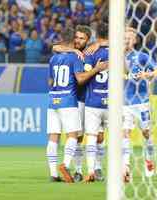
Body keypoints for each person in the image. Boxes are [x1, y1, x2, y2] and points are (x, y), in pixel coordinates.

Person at [46, 27, 107, 183]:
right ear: (73, 39)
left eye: (82, 38)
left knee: (98, 137)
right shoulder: (74, 55)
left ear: (89, 40)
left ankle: (97, 168)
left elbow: (51, 80)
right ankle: (78, 170)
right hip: (77, 100)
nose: (79, 41)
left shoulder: (91, 52)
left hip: (92, 100)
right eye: (77, 38)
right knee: (78, 137)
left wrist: (100, 44)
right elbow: (55, 46)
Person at [123, 29, 157, 182]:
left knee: (146, 133)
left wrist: (148, 74)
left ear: (135, 41)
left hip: (141, 102)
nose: (126, 40)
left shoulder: (142, 56)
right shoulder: (116, 57)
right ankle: (125, 167)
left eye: (129, 38)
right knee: (124, 133)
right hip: (124, 103)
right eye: (124, 37)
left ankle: (149, 160)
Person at [83, 22, 109, 182]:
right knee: (113, 137)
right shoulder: (118, 51)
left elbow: (85, 74)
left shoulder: (91, 53)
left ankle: (91, 170)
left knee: (92, 137)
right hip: (112, 102)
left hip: (93, 101)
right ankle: (121, 170)